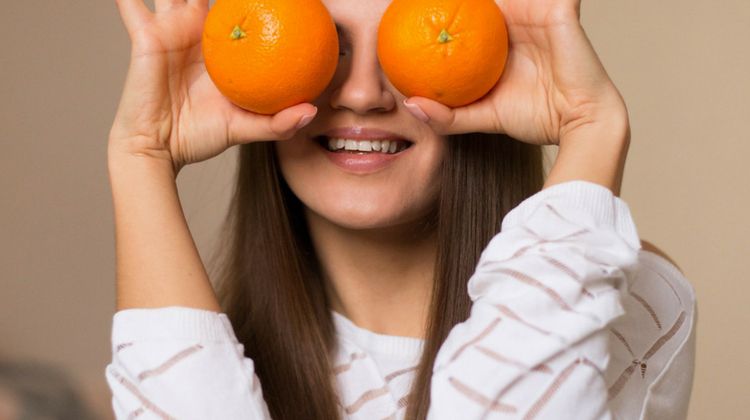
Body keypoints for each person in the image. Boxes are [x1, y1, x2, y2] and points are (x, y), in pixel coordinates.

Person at [105, 0, 696, 419]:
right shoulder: (198, 347)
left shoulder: (618, 295)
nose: (362, 94)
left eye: (399, 46)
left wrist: (591, 128)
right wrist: (140, 156)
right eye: (326, 50)